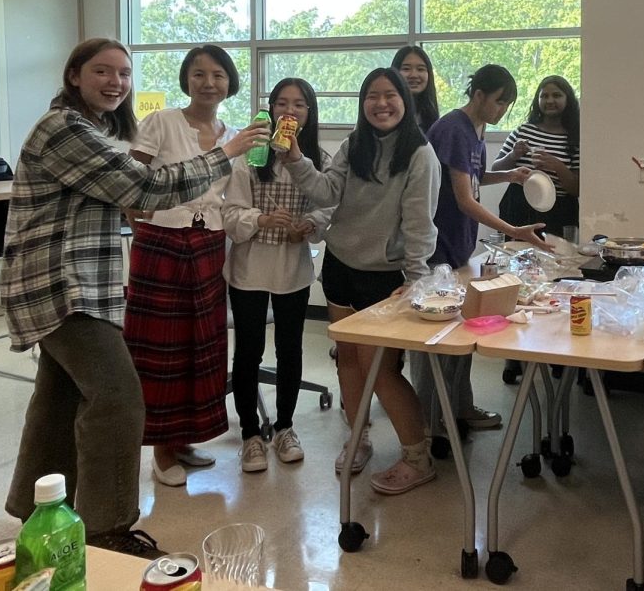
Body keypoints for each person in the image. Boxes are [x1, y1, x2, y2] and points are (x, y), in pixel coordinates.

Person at [2, 39, 266, 556]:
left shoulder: (93, 130)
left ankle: (36, 514)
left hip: (88, 285)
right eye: (103, 72)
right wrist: (224, 154)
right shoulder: (65, 130)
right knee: (121, 397)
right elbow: (144, 190)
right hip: (60, 285)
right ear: (74, 75)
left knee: (59, 399)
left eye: (124, 74)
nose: (116, 83)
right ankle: (107, 531)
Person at [283, 67, 441, 495]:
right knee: (347, 358)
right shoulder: (356, 144)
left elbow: (420, 224)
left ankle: (416, 457)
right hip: (340, 266)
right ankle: (359, 437)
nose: (381, 103)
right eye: (372, 95)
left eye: (390, 95)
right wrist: (296, 158)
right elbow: (324, 193)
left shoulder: (419, 154)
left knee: (380, 370)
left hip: (384, 278)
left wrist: (416, 279)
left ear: (405, 102)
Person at [122, 45, 241, 488]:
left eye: (217, 75)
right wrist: (146, 229)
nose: (208, 83)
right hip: (163, 240)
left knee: (202, 344)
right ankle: (160, 448)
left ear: (230, 81)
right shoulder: (163, 121)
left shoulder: (231, 132)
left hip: (210, 241)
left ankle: (185, 437)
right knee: (161, 347)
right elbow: (131, 182)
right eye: (198, 74)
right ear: (185, 80)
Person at [412, 65, 551, 439]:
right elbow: (463, 199)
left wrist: (509, 175)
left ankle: (459, 408)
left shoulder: (476, 130)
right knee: (435, 343)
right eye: (500, 100)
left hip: (458, 245)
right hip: (436, 247)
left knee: (462, 330)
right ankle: (429, 425)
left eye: (508, 103)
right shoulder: (453, 129)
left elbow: (473, 180)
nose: (502, 109)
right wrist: (511, 231)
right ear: (479, 95)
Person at [222, 77, 331, 474]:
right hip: (249, 268)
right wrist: (262, 218)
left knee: (291, 349)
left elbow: (329, 205)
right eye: (282, 103)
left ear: (309, 113)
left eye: (299, 104)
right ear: (269, 111)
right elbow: (229, 213)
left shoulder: (318, 157)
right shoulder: (250, 155)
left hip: (293, 267)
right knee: (248, 351)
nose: (290, 111)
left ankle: (285, 426)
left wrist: (310, 224)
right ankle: (251, 434)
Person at [492, 75, 581, 237]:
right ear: (537, 100)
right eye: (544, 96)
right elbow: (495, 169)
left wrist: (557, 165)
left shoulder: (575, 138)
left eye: (557, 95)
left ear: (568, 99)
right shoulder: (523, 131)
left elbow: (576, 189)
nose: (550, 100)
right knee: (514, 257)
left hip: (558, 211)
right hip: (517, 205)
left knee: (556, 258)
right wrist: (513, 155)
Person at [393, 45, 440, 132]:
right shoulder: (387, 113)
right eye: (406, 69)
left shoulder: (431, 116)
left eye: (420, 69)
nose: (414, 75)